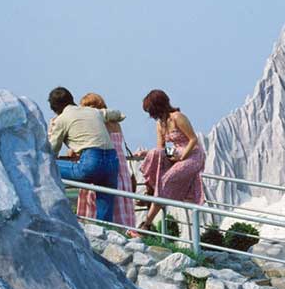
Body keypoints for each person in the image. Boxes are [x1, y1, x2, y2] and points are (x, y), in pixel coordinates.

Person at [48, 87, 124, 222]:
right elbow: (117, 114)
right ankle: (105, 234)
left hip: (91, 163)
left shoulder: (62, 119)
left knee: (48, 165)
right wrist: (119, 116)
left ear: (55, 108)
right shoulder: (93, 112)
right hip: (112, 162)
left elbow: (52, 151)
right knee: (105, 215)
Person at [135, 89, 205, 233]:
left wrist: (182, 157)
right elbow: (161, 149)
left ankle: (146, 223)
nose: (150, 114)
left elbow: (193, 139)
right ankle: (150, 189)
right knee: (155, 153)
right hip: (175, 152)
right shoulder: (160, 124)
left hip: (192, 154)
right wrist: (145, 153)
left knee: (166, 179)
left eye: (150, 109)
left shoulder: (177, 117)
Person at [77, 93, 136, 228]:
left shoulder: (96, 124)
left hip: (101, 167)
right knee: (119, 205)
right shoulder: (115, 123)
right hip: (121, 170)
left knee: (99, 202)